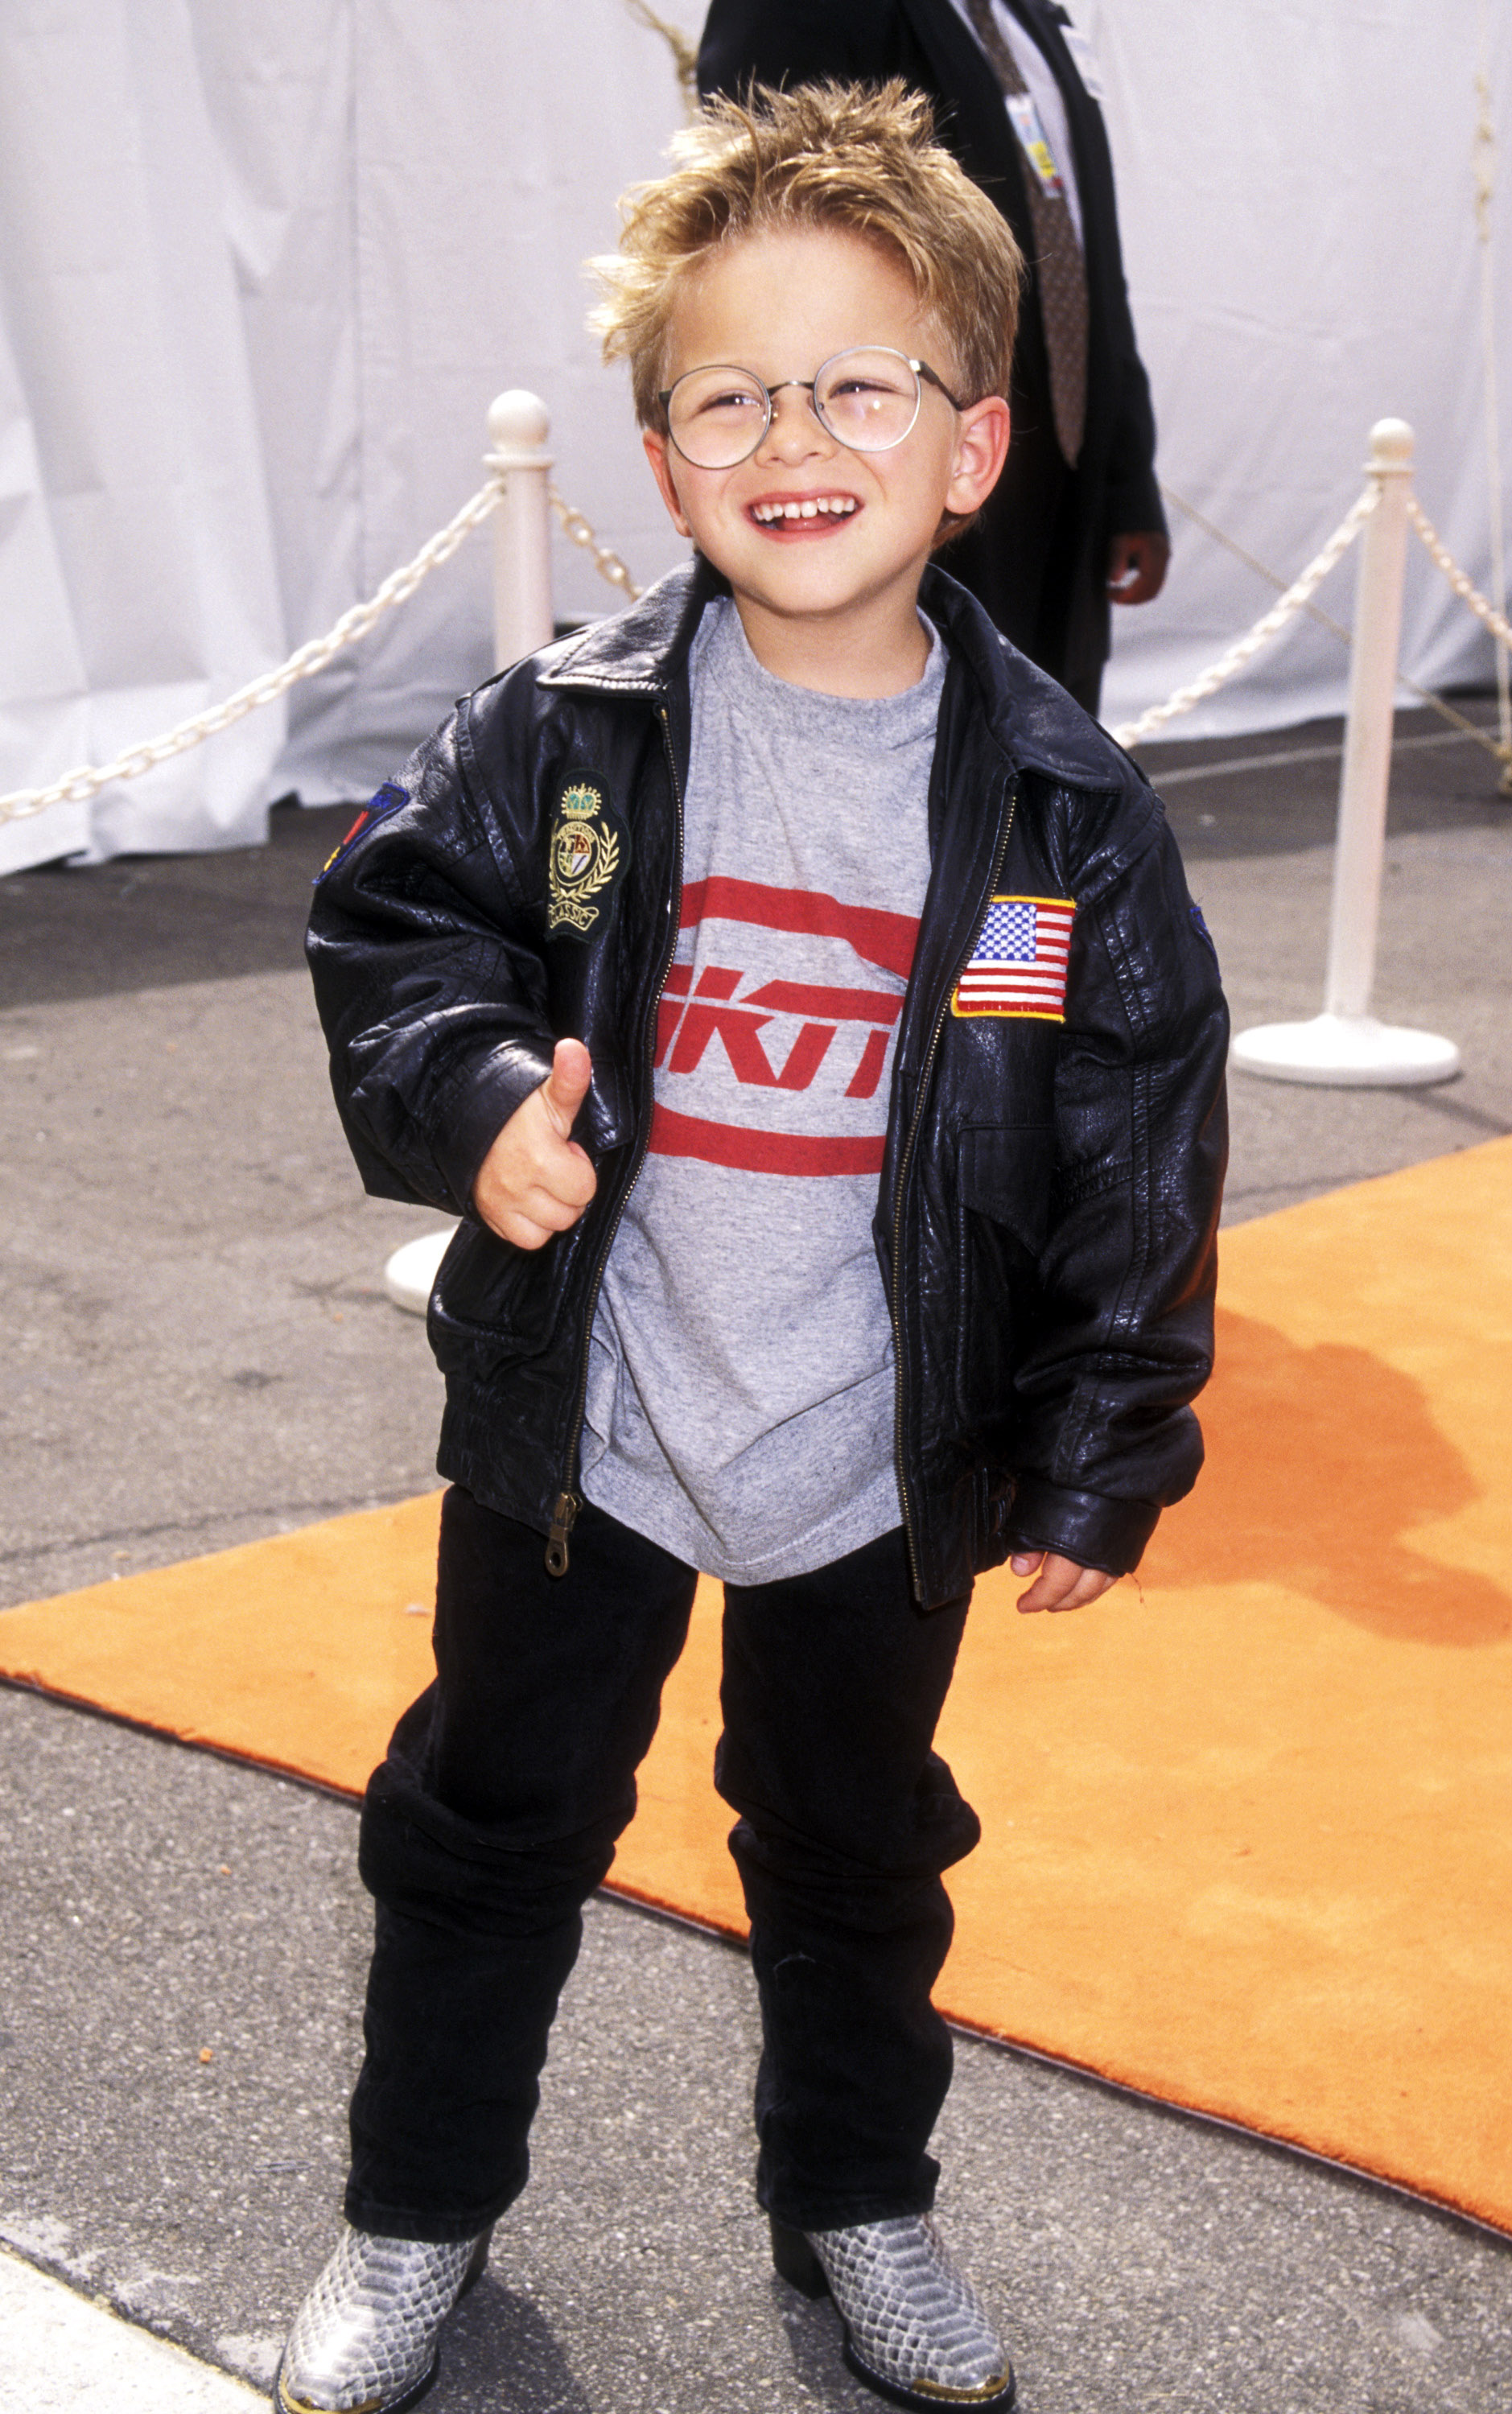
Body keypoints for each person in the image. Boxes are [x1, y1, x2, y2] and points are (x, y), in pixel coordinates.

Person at [277, 81, 1226, 2414]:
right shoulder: (564, 734)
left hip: (872, 1462)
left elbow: (1132, 1138)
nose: (794, 431)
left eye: (859, 380)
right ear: (662, 451)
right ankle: (413, 2223)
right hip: (578, 1430)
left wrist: (1101, 1447)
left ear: (973, 444)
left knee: (851, 1857)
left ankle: (855, 2205)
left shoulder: (1060, 816)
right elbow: (401, 944)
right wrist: (481, 1097)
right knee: (485, 1830)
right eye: (731, 391)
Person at [697, 0, 1170, 715]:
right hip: (898, 461)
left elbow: (1088, 254)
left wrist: (1126, 480)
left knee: (1049, 766)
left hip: (1061, 470)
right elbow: (767, 226)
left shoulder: (1035, 17)